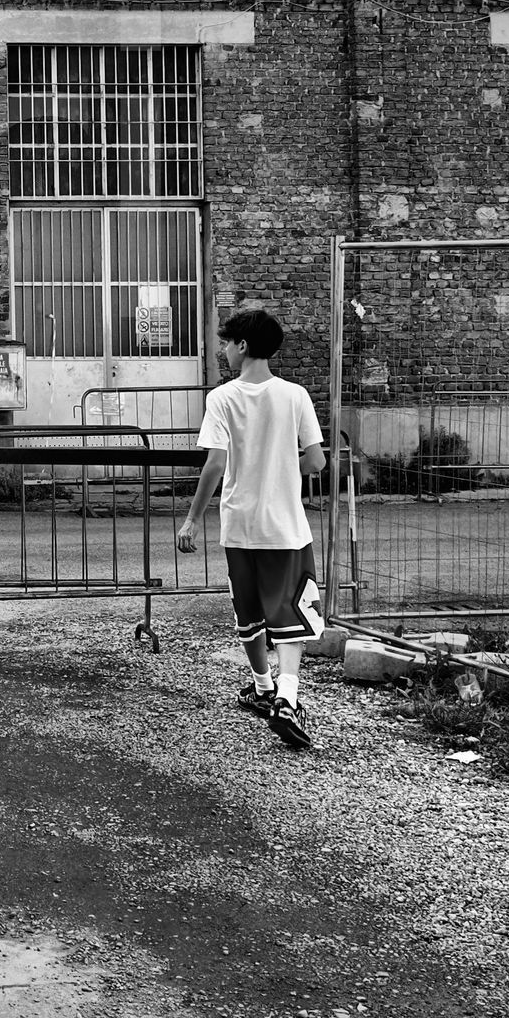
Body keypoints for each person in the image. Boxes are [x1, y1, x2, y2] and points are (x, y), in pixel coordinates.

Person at [176, 306, 328, 749]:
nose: (224, 350)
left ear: (243, 346)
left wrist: (192, 519)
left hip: (240, 524)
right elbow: (317, 460)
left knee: (248, 609)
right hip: (285, 526)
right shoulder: (295, 395)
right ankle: (287, 697)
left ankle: (262, 686)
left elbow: (215, 464)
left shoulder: (222, 398)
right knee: (291, 609)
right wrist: (284, 466)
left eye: (226, 343)